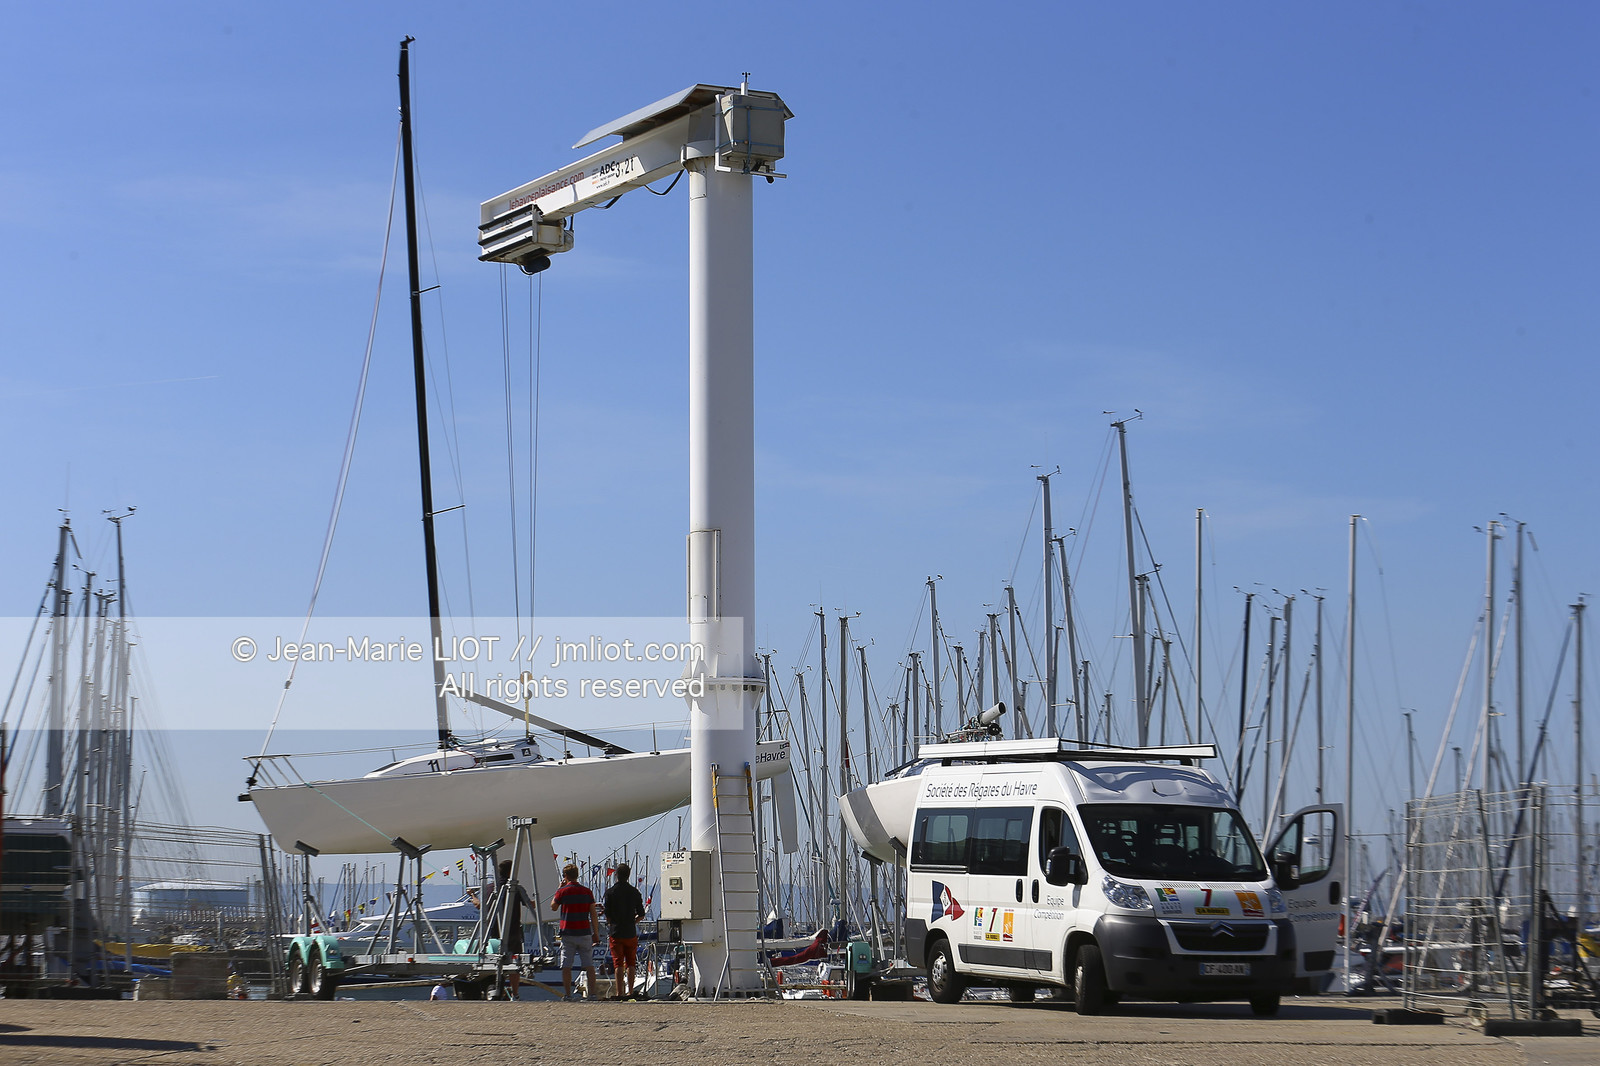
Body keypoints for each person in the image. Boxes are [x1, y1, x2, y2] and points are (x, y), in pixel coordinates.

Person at [551, 863, 599, 1000]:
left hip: (568, 933)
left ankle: (567, 994)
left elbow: (553, 907)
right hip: (584, 932)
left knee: (566, 965)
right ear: (577, 875)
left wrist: (559, 888)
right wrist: (595, 933)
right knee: (589, 965)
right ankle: (592, 994)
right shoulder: (587, 892)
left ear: (565, 876)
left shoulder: (562, 891)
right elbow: (593, 914)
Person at [602, 863, 647, 1000]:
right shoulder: (634, 892)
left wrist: (611, 922)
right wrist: (633, 922)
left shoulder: (610, 892)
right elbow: (641, 914)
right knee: (631, 963)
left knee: (618, 963)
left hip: (616, 931)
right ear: (628, 875)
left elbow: (607, 914)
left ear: (616, 874)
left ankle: (619, 992)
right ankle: (630, 991)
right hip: (630, 932)